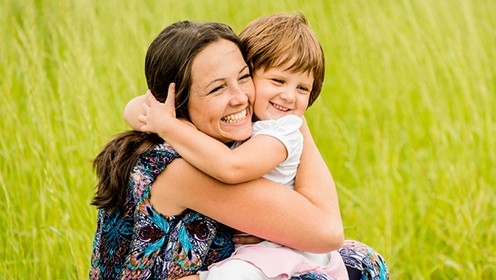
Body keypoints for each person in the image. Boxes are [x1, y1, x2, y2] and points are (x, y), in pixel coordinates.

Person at [91, 20, 388, 280]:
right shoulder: (181, 169)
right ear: (177, 101)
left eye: (244, 77)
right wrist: (295, 123)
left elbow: (136, 107)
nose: (240, 98)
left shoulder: (189, 137)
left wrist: (291, 120)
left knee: (357, 256)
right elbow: (327, 233)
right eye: (217, 88)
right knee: (356, 266)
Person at [137, 13, 347, 280]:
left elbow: (232, 166)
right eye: (278, 81)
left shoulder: (279, 132)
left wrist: (169, 126)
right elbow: (136, 108)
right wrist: (168, 121)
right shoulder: (185, 161)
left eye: (303, 88)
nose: (289, 95)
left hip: (279, 248)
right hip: (269, 248)